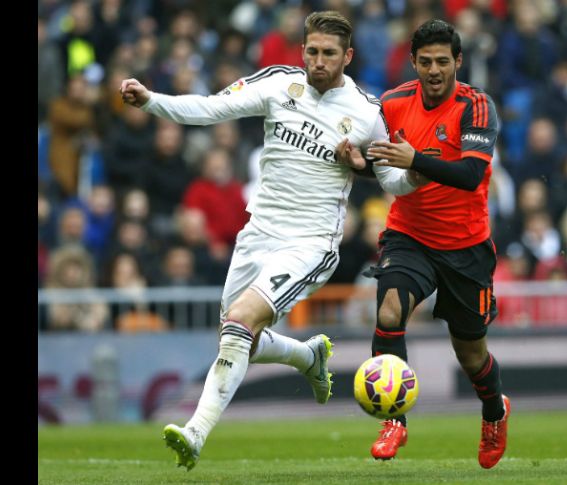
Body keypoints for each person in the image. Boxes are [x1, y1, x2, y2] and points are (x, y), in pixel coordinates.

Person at [120, 10, 422, 470]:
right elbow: (209, 108)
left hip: (311, 241)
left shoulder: (367, 112)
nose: (319, 61)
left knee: (240, 322)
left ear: (349, 56)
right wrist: (150, 101)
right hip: (258, 231)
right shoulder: (280, 83)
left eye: (329, 54)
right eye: (312, 52)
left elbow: (393, 182)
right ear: (302, 50)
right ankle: (308, 355)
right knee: (236, 335)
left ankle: (195, 433)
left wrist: (412, 167)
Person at [337, 19, 510, 469]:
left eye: (443, 62)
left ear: (458, 62)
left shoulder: (477, 107)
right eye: (426, 62)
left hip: (465, 245)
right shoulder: (392, 103)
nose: (434, 70)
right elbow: (380, 166)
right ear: (413, 62)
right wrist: (357, 161)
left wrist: (416, 158)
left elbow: (471, 175)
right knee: (391, 310)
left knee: (470, 353)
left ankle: (495, 410)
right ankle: (395, 420)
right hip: (409, 235)